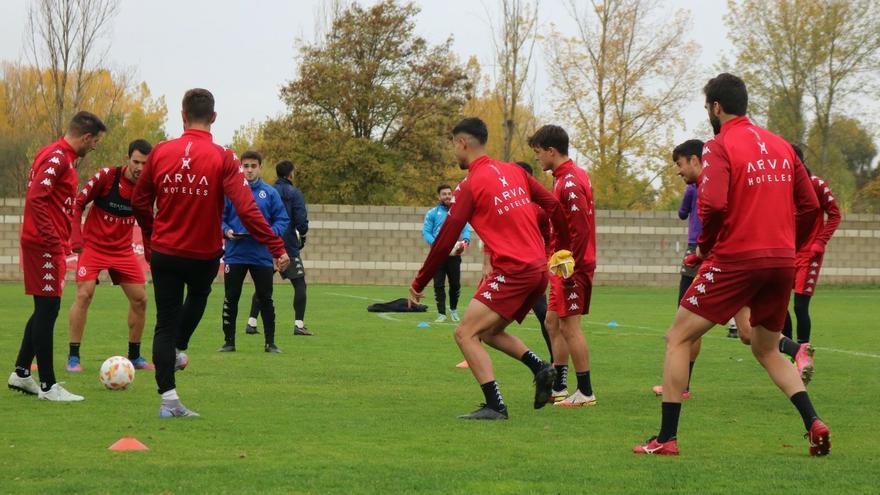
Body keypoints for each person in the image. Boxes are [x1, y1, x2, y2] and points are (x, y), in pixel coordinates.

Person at [634, 73, 829, 456]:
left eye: (708, 106)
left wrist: (707, 248)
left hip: (737, 258)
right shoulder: (780, 146)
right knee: (765, 348)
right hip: (780, 262)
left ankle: (666, 439)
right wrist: (790, 246)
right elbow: (809, 207)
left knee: (677, 337)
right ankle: (814, 422)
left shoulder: (718, 146)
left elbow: (715, 205)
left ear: (716, 107)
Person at [132, 88, 289, 418]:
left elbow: (139, 200)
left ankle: (169, 399)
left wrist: (150, 234)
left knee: (164, 322)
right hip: (203, 255)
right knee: (199, 297)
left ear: (182, 114)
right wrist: (276, 246)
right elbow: (247, 209)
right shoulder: (223, 157)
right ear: (214, 118)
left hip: (166, 252)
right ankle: (178, 348)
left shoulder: (160, 152)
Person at [408, 117, 573, 420]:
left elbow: (445, 239)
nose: (454, 153)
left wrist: (419, 282)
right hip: (537, 269)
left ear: (462, 143)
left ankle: (495, 405)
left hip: (512, 271)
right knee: (491, 331)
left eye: (453, 146)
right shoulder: (513, 170)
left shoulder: (469, 185)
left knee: (464, 334)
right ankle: (541, 368)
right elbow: (552, 204)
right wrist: (563, 248)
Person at [8, 111, 106, 401]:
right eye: (95, 142)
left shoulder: (57, 155)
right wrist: (52, 239)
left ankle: (22, 373)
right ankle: (49, 386)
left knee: (44, 309)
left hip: (46, 244)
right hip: (43, 245)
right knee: (48, 310)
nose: (94, 148)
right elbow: (37, 198)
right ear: (86, 137)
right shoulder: (58, 157)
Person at [67, 139, 154, 372]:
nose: (139, 168)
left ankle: (134, 356)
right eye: (136, 162)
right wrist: (76, 238)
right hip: (94, 248)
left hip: (123, 251)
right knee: (85, 294)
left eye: (145, 164)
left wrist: (151, 252)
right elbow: (78, 203)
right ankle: (73, 357)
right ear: (127, 159)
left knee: (141, 300)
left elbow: (148, 223)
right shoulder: (106, 177)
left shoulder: (147, 187)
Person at [529, 125, 597, 407]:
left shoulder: (569, 182)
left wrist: (572, 268)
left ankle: (585, 391)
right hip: (562, 265)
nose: (537, 159)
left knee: (570, 327)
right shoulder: (564, 178)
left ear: (551, 151)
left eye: (538, 153)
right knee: (552, 322)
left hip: (572, 267)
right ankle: (559, 386)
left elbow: (580, 229)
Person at [218, 151, 289, 353]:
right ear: (240, 167)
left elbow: (282, 220)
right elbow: (219, 217)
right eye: (245, 166)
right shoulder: (231, 191)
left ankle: (270, 343)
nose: (249, 170)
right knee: (231, 297)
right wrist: (226, 231)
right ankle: (229, 342)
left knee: (265, 298)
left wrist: (268, 234)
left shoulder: (270, 193)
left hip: (262, 255)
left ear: (260, 167)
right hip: (235, 253)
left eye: (253, 166)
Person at [783, 144, 840, 350]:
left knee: (799, 306)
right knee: (779, 303)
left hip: (809, 254)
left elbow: (835, 214)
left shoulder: (816, 184)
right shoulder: (783, 185)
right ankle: (788, 349)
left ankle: (803, 351)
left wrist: (820, 241)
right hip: (786, 253)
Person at [245, 160, 312, 336]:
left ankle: (251, 322)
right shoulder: (294, 193)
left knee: (263, 284)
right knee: (299, 284)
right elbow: (300, 220)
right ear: (290, 174)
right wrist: (302, 235)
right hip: (287, 246)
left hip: (267, 244)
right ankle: (299, 325)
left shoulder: (268, 191)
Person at [423, 184, 472, 323]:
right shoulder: (432, 213)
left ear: (453, 195)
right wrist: (436, 245)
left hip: (454, 255)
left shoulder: (459, 212)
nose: (447, 196)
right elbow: (426, 232)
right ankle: (441, 314)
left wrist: (465, 242)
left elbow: (466, 230)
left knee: (455, 284)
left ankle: (453, 310)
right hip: (437, 255)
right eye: (444, 194)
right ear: (439, 197)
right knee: (438, 284)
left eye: (449, 194)